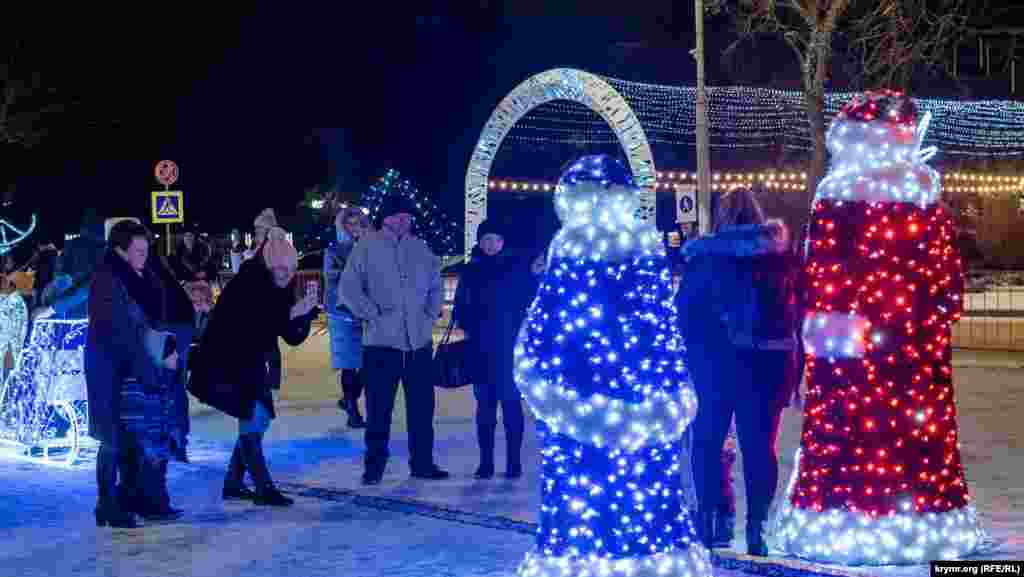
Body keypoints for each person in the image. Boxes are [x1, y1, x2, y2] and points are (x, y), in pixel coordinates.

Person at [674, 187, 801, 555]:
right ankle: (756, 529)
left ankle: (709, 522)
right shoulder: (779, 258)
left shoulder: (704, 258)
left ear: (722, 217)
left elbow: (685, 314)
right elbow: (796, 312)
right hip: (767, 366)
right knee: (760, 448)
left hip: (713, 366)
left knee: (707, 442)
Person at [188, 230, 319, 506]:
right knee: (254, 416)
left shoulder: (280, 286)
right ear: (268, 263)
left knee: (259, 418)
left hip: (253, 361)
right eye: (280, 269)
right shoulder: (248, 280)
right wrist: (294, 312)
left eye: (290, 270)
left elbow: (290, 334)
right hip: (227, 359)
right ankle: (262, 487)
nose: (285, 275)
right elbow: (256, 322)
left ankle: (234, 482)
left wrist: (305, 313)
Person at [340, 195, 447, 485]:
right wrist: (371, 314)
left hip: (418, 344)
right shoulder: (366, 247)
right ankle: (374, 466)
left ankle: (422, 463)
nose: (402, 220)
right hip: (380, 345)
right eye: (396, 215)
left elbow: (436, 285)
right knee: (379, 411)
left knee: (422, 410)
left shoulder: (421, 248)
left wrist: (429, 314)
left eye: (406, 216)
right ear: (384, 218)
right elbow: (348, 288)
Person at [85, 220, 183, 528]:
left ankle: (134, 498)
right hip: (109, 367)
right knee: (112, 435)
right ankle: (106, 503)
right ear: (120, 250)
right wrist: (151, 365)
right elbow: (122, 331)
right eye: (139, 250)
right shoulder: (107, 278)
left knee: (133, 434)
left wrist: (163, 351)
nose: (145, 255)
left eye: (146, 249)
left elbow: (153, 322)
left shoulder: (144, 275)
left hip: (136, 364)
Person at [453, 219, 540, 479]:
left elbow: (529, 297)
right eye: (486, 239)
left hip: (509, 350)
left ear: (503, 242)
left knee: (511, 406)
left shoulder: (516, 269)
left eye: (495, 239)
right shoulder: (471, 271)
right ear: (480, 242)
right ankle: (486, 463)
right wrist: (469, 325)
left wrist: (535, 275)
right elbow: (460, 307)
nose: (490, 244)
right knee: (485, 408)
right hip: (480, 350)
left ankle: (514, 462)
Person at [324, 206, 370, 428]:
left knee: (370, 362)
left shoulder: (371, 248)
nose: (354, 228)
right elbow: (331, 278)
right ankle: (352, 410)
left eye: (358, 223)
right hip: (342, 314)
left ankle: (348, 398)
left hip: (368, 313)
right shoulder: (333, 250)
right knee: (350, 364)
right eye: (350, 224)